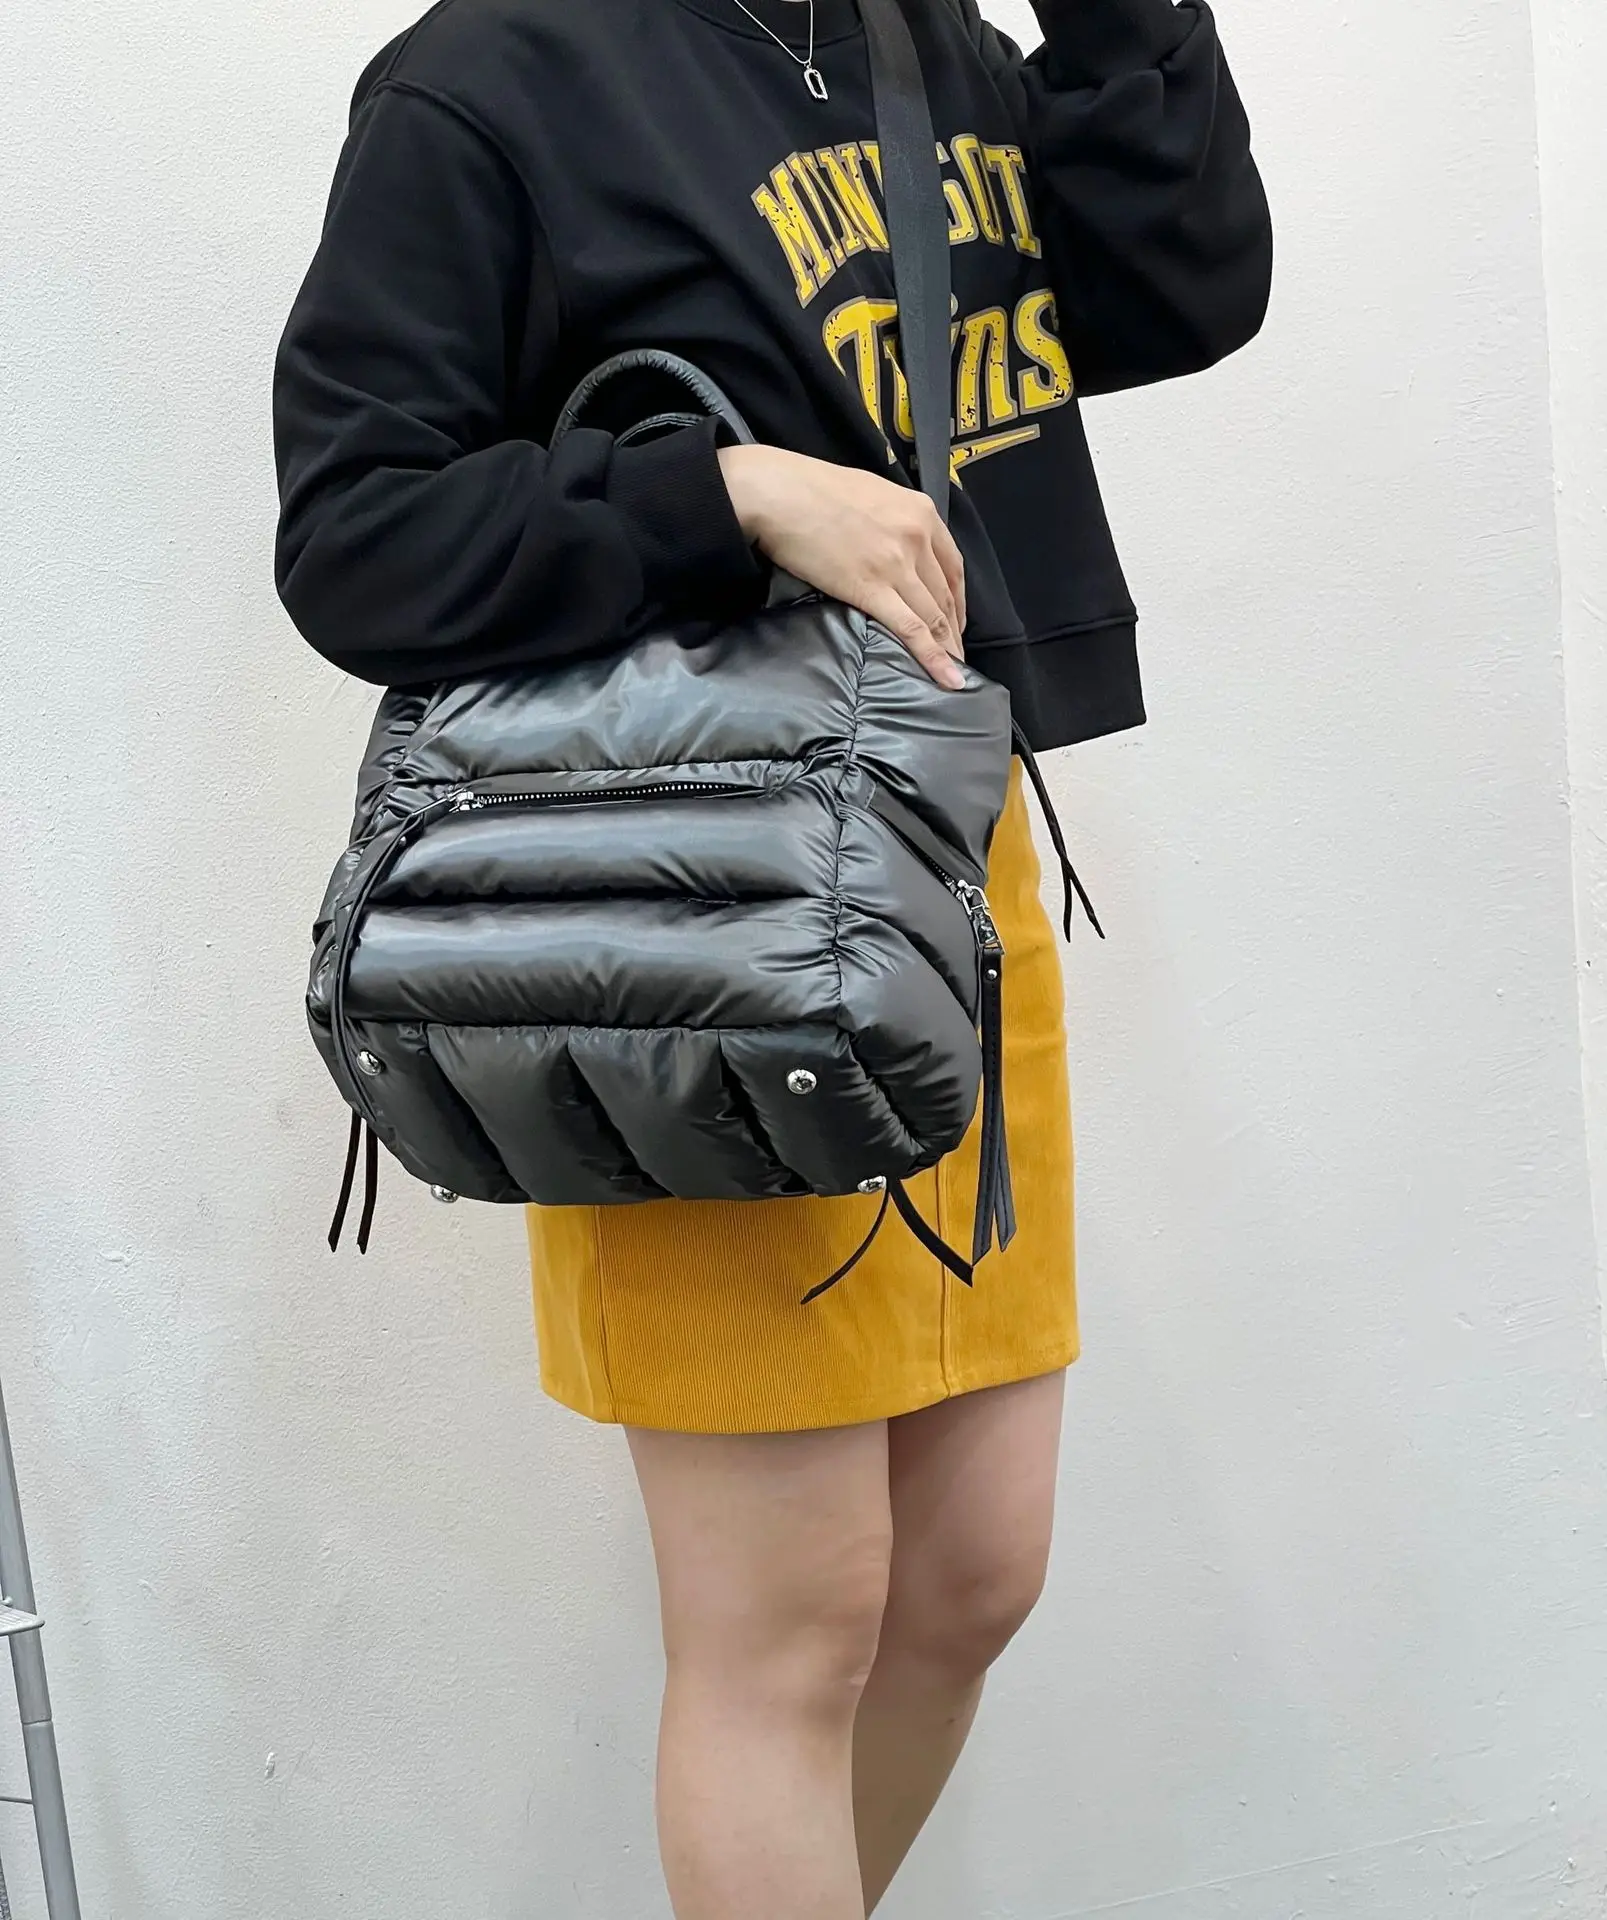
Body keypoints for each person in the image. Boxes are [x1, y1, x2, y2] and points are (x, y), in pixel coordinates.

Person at [273, 0, 1271, 1912]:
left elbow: (1179, 285)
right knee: (790, 1624)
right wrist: (725, 496)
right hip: (693, 922)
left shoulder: (917, 40)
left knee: (973, 1574)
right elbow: (356, 533)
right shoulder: (493, 80)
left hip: (944, 851)